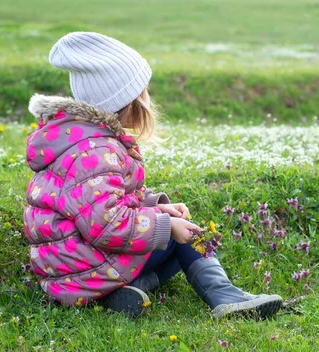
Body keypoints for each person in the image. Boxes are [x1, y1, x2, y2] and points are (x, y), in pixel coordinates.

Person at [23, 32, 282, 319]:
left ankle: (128, 290)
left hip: (68, 271)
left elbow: (101, 204)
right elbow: (107, 225)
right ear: (127, 100)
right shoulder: (96, 151)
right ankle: (227, 298)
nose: (148, 99)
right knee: (182, 237)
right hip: (84, 270)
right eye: (143, 91)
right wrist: (166, 225)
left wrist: (154, 207)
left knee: (171, 232)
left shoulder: (81, 140)